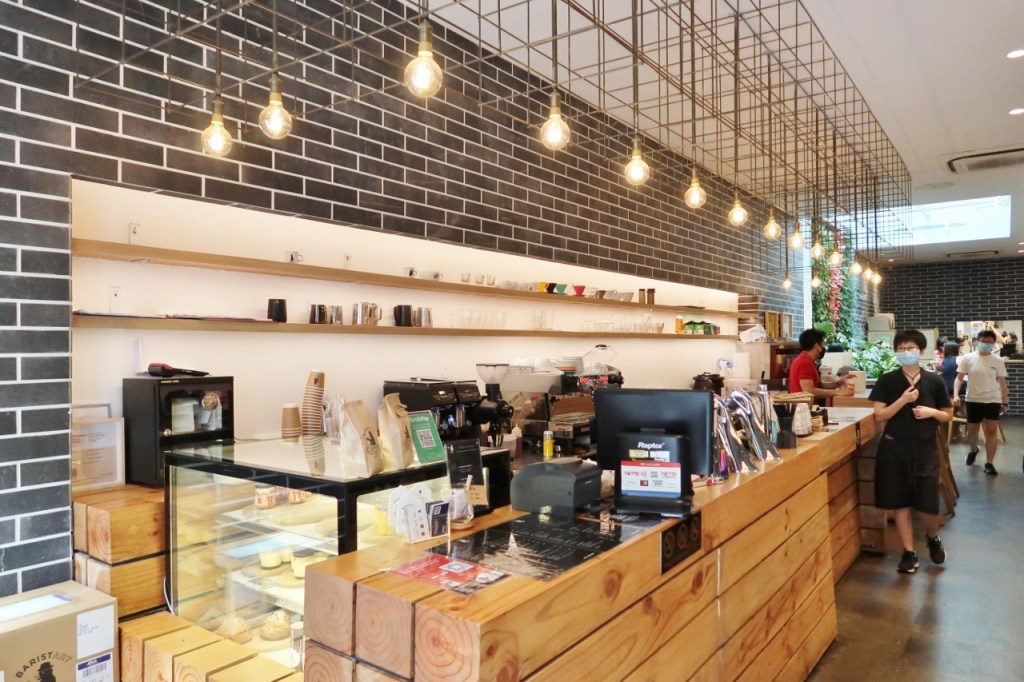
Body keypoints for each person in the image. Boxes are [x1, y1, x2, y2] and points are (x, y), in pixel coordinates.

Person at [868, 329, 953, 574]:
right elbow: (880, 415)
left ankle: (932, 537)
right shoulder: (887, 380)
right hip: (894, 447)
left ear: (921, 351)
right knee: (900, 503)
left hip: (925, 449)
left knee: (928, 505)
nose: (906, 352)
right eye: (902, 348)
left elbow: (947, 414)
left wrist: (931, 412)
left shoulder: (934, 381)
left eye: (911, 348)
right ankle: (908, 552)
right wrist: (903, 400)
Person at [952, 328, 1009, 475]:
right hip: (973, 399)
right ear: (978, 342)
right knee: (972, 431)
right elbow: (959, 378)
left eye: (989, 342)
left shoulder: (998, 361)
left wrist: (1004, 402)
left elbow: (1002, 383)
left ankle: (989, 463)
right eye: (983, 341)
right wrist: (956, 394)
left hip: (992, 400)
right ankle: (973, 449)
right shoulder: (968, 358)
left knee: (991, 431)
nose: (986, 344)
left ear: (994, 344)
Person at [788, 328, 853, 401]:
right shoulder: (805, 363)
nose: (824, 348)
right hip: (805, 407)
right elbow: (809, 391)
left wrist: (839, 382)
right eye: (823, 345)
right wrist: (836, 392)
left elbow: (817, 386)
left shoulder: (804, 360)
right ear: (817, 346)